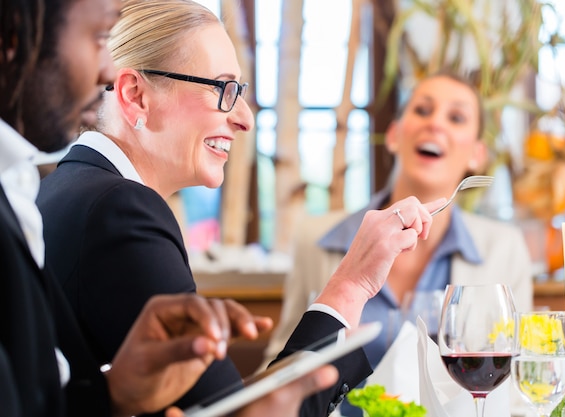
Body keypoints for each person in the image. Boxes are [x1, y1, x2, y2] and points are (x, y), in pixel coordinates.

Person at [35, 0, 445, 415]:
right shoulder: (120, 211)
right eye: (223, 88)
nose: (245, 119)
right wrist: (351, 286)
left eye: (241, 92)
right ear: (135, 94)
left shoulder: (67, 190)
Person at [262, 71, 534, 416]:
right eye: (422, 110)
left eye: (456, 117)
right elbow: (280, 370)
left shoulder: (504, 248)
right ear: (393, 135)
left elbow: (513, 389)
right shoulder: (314, 239)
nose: (435, 124)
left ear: (477, 154)